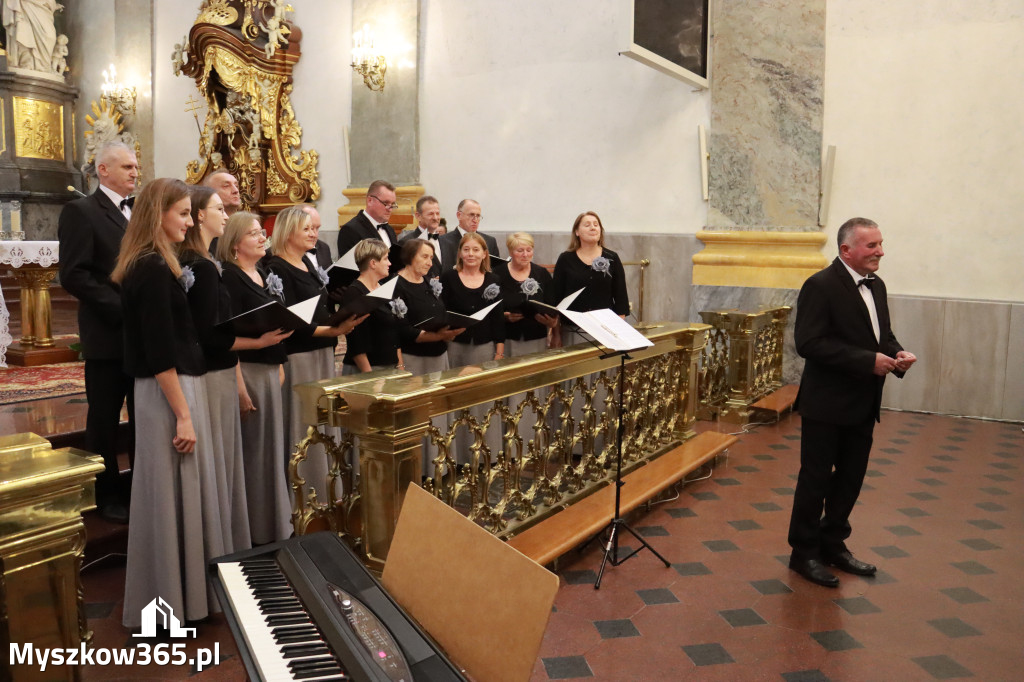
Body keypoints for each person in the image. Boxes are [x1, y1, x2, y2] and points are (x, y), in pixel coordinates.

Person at [112, 177, 225, 628]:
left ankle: (184, 597)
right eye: (181, 213)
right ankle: (167, 602)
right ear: (157, 215)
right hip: (168, 394)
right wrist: (183, 415)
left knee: (180, 494)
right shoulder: (153, 269)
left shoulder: (157, 263)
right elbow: (160, 352)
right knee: (167, 496)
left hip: (173, 388)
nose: (188, 220)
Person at [787, 217, 917, 588]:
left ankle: (833, 543)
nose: (880, 251)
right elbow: (808, 343)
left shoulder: (877, 286)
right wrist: (867, 361)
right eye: (872, 245)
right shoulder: (820, 285)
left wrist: (896, 353)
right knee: (815, 480)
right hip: (826, 403)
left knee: (849, 478)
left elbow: (881, 335)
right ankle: (804, 553)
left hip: (863, 401)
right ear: (846, 250)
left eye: (880, 244)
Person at [178, 186, 289, 551]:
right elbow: (210, 334)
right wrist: (257, 345)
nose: (225, 214)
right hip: (217, 371)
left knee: (234, 459)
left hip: (231, 366)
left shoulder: (207, 265)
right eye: (218, 209)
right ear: (198, 216)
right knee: (228, 459)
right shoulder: (210, 269)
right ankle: (227, 539)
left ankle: (234, 534)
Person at [57, 140, 139, 524]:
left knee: (144, 415)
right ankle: (104, 496)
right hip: (108, 333)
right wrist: (120, 307)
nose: (134, 173)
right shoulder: (81, 211)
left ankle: (141, 485)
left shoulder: (138, 212)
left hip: (143, 335)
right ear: (103, 170)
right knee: (104, 418)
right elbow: (73, 273)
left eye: (136, 167)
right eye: (126, 167)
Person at [268, 206, 366, 500]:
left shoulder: (309, 264)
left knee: (323, 420)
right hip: (300, 355)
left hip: (323, 351)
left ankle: (326, 488)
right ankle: (305, 491)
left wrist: (340, 322)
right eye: (307, 229)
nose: (314, 234)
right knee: (305, 422)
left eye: (315, 229)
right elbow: (287, 320)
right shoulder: (276, 267)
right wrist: (331, 331)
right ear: (288, 232)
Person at [218, 212, 295, 544]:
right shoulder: (230, 279)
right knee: (254, 452)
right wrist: (241, 385)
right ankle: (254, 528)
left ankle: (274, 523)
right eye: (254, 234)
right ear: (235, 244)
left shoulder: (262, 272)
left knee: (272, 450)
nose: (263, 238)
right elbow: (225, 337)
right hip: (246, 370)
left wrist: (277, 360)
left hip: (270, 368)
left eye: (262, 233)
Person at [441, 232, 505, 465]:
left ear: (484, 254)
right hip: (454, 346)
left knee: (483, 401)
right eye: (466, 249)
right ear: (459, 253)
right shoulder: (448, 277)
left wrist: (499, 350)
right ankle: (456, 455)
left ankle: (485, 451)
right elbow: (442, 310)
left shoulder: (493, 279)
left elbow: (498, 317)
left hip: (484, 347)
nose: (471, 254)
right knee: (455, 399)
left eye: (476, 250)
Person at [551, 211, 630, 346]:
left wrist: (617, 330)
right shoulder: (566, 259)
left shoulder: (612, 257)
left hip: (605, 328)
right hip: (573, 328)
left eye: (596, 224)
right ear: (577, 232)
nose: (593, 228)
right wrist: (555, 332)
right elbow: (556, 297)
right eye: (587, 225)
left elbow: (621, 296)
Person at [338, 239, 405, 374]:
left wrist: (400, 366)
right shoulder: (355, 292)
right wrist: (369, 376)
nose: (390, 263)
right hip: (366, 370)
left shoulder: (382, 288)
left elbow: (394, 332)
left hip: (389, 366)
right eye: (386, 259)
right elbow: (356, 341)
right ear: (373, 263)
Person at [336, 180, 401, 285]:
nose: (390, 209)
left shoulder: (390, 230)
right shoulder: (350, 230)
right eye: (386, 203)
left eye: (392, 204)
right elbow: (352, 272)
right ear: (370, 200)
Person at [438, 199, 500, 271]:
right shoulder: (442, 241)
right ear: (459, 215)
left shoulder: (490, 241)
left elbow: (496, 272)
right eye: (471, 215)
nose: (475, 220)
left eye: (478, 216)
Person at [398, 195, 443, 278]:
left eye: (437, 213)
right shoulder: (405, 242)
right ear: (418, 216)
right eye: (430, 214)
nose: (435, 218)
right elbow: (399, 275)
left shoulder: (446, 241)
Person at [300, 203, 333, 270]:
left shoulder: (324, 248)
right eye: (309, 228)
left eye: (317, 228)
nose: (314, 234)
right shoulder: (284, 253)